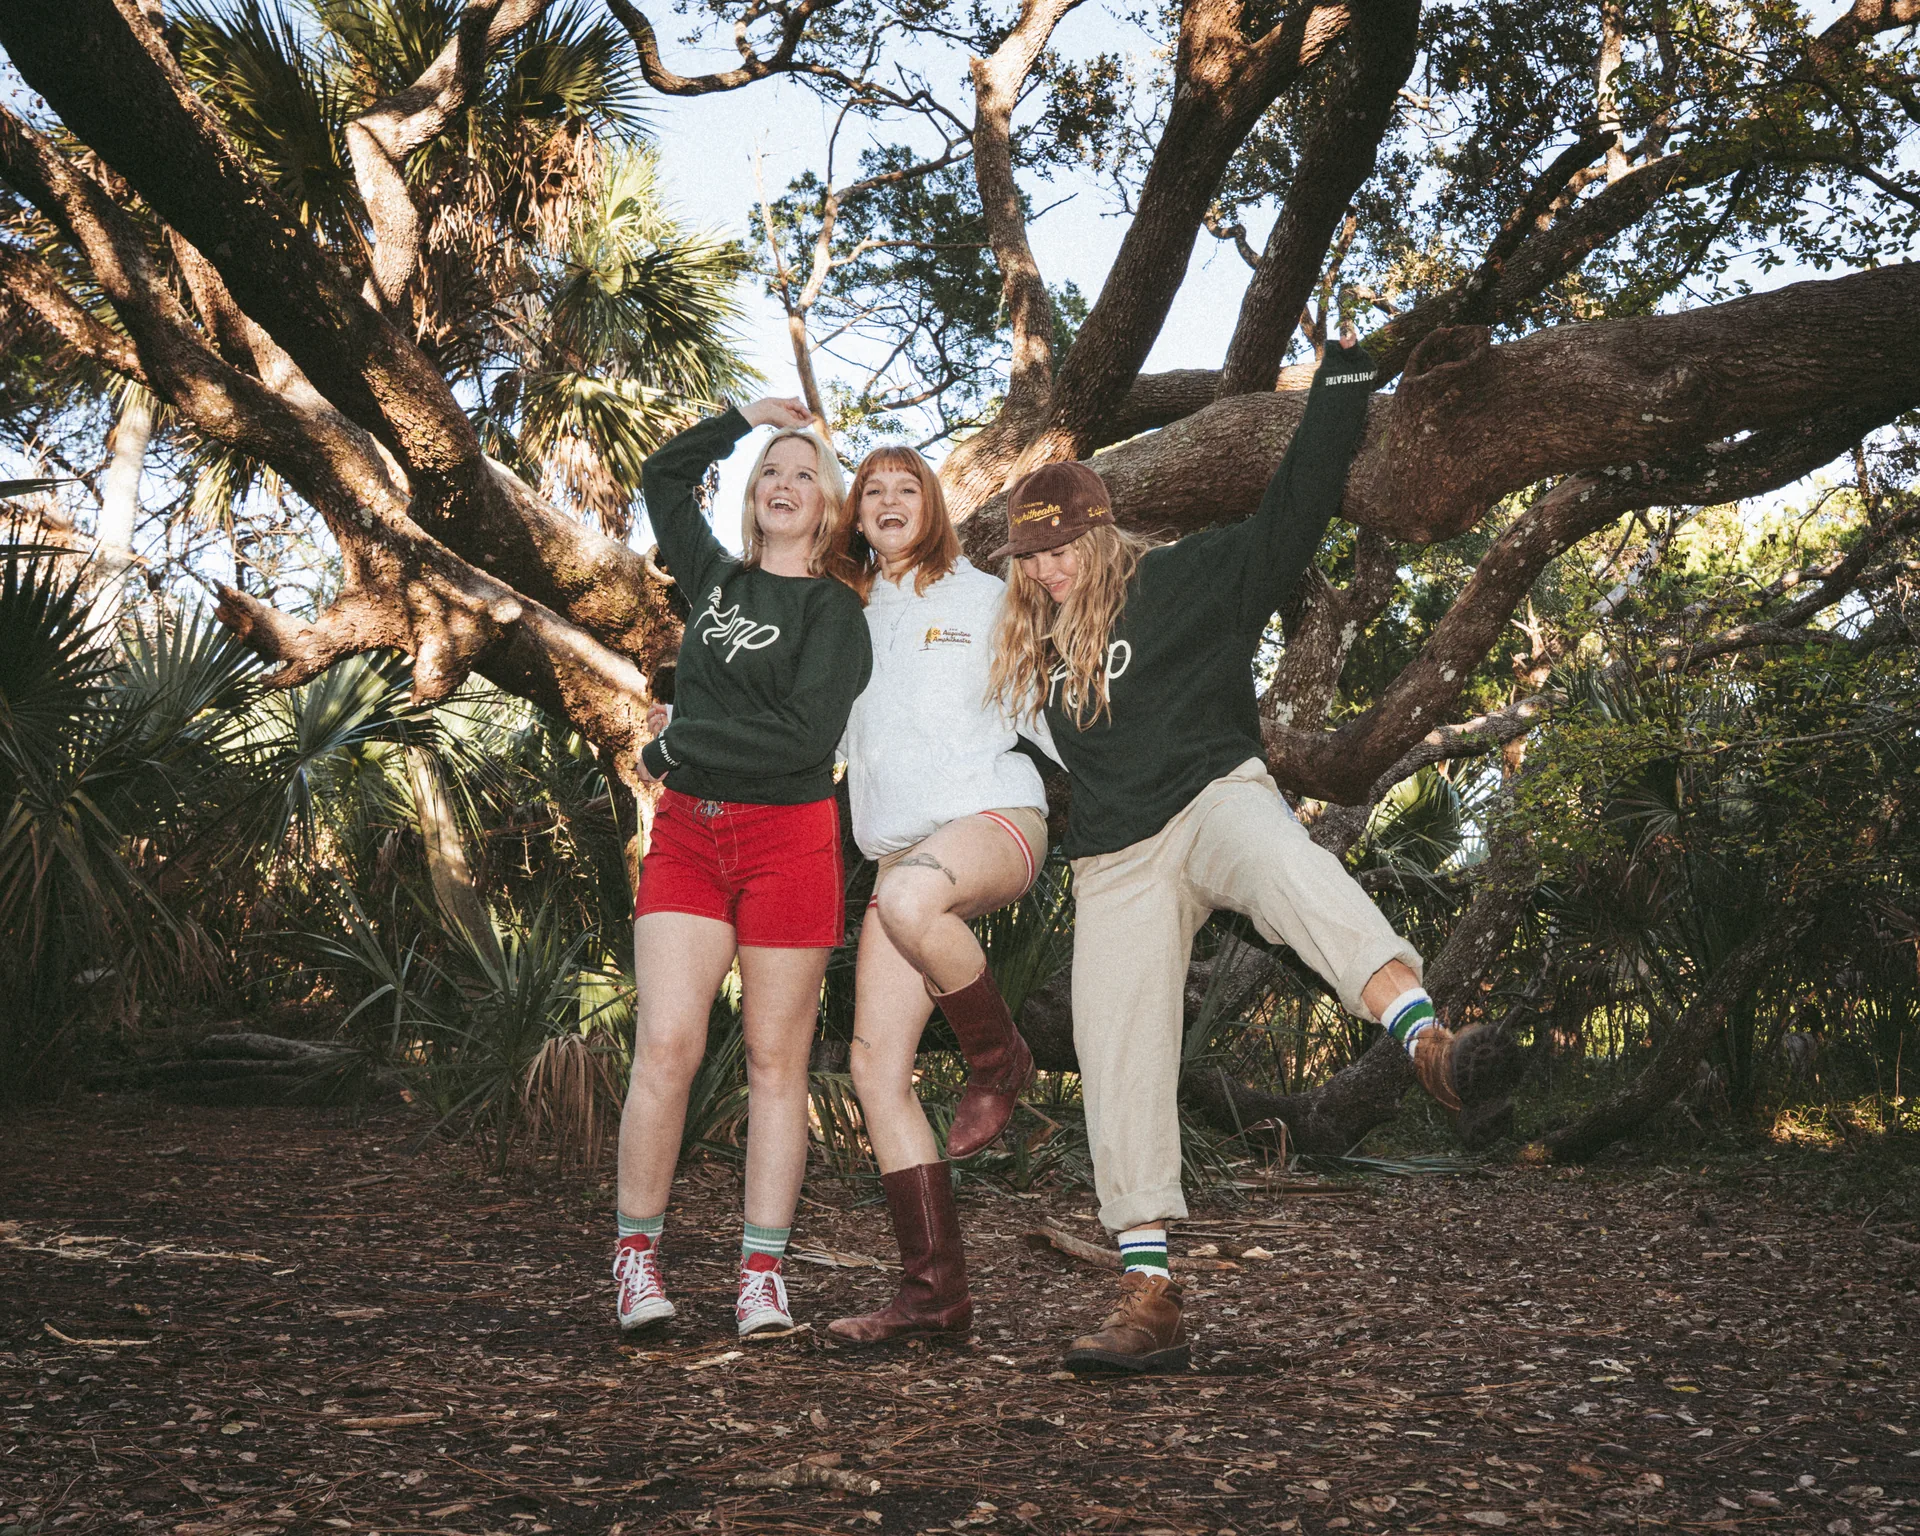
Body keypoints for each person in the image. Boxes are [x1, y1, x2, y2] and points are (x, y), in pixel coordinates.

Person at [985, 342, 1516, 1374]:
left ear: (1105, 531)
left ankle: (1428, 1042)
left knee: (1288, 867)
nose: (1049, 568)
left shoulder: (1190, 578)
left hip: (1216, 800)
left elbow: (1291, 514)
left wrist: (1344, 390)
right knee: (1116, 1046)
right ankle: (1147, 1292)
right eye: (1030, 555)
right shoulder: (1028, 657)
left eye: (1064, 546)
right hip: (1116, 864)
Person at [612, 396, 872, 1338]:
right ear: (753, 493)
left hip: (788, 841)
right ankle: (635, 1261)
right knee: (669, 1046)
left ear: (829, 507)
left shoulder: (836, 614)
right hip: (688, 836)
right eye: (771, 470)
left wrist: (677, 743)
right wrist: (741, 418)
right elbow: (662, 479)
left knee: (776, 1060)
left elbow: (805, 739)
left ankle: (761, 1274)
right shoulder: (714, 580)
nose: (784, 484)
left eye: (805, 474)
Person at [818, 444, 1051, 1344]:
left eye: (903, 487)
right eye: (870, 491)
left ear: (932, 506)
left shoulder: (984, 598)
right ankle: (934, 1299)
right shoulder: (844, 620)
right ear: (856, 517)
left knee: (913, 901)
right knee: (877, 1072)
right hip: (900, 860)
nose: (885, 500)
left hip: (996, 820)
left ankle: (998, 1061)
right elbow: (798, 726)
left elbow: (1054, 709)